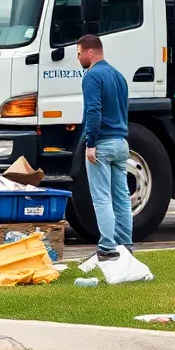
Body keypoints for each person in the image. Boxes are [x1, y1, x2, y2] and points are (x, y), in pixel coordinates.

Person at [77, 34, 132, 261]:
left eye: (79, 53)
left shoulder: (92, 76)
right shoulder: (119, 76)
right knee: (122, 197)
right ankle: (125, 244)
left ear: (90, 52)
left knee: (101, 197)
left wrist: (90, 143)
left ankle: (108, 247)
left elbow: (93, 111)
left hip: (103, 143)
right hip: (122, 142)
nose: (78, 57)